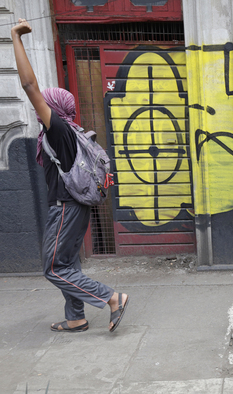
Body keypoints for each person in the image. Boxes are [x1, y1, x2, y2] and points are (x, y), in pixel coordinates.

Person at [12, 19, 129, 332]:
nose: (38, 107)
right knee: (67, 262)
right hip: (74, 205)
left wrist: (15, 37)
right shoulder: (68, 130)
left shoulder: (59, 130)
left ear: (50, 109)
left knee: (52, 268)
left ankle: (112, 298)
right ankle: (75, 317)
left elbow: (28, 86)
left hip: (65, 206)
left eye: (43, 104)